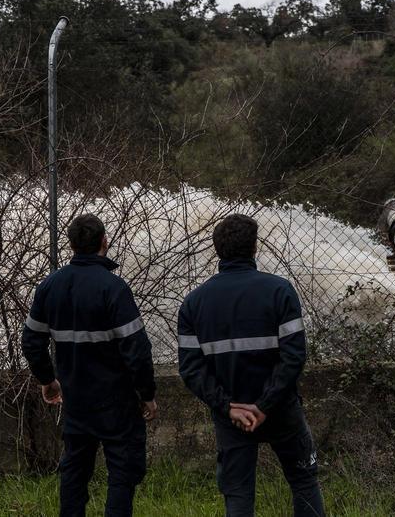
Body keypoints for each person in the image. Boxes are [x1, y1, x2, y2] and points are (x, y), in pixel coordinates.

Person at [177, 214, 325, 517]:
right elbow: (294, 356)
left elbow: (191, 370)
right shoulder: (280, 291)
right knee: (303, 481)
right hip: (281, 410)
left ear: (217, 250)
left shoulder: (194, 303)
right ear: (255, 248)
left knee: (238, 495)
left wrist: (229, 407)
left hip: (232, 417)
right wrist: (265, 405)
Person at [21, 214, 157, 517]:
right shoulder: (114, 288)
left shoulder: (49, 287)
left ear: (71, 245)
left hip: (76, 400)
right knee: (122, 473)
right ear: (103, 242)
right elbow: (137, 349)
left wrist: (48, 380)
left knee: (74, 472)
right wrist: (146, 394)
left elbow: (31, 341)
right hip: (117, 402)